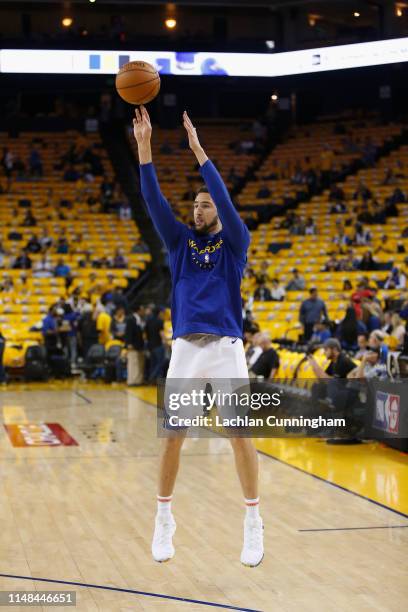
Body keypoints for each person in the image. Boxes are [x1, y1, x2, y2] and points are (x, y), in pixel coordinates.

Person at [134, 105, 263, 567]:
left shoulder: (235, 244)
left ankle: (252, 522)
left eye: (205, 204)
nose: (198, 208)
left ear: (220, 214)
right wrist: (145, 148)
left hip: (227, 349)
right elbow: (153, 202)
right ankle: (163, 519)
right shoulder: (180, 244)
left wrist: (198, 151)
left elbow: (226, 200)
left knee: (240, 436)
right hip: (187, 350)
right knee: (173, 437)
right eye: (195, 204)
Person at [125, 304, 145, 386]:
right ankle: (131, 381)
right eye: (142, 309)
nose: (143, 311)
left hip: (139, 345)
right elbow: (128, 332)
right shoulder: (131, 319)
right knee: (132, 363)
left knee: (139, 363)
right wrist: (129, 343)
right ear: (139, 310)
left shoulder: (139, 319)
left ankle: (138, 381)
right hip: (133, 345)